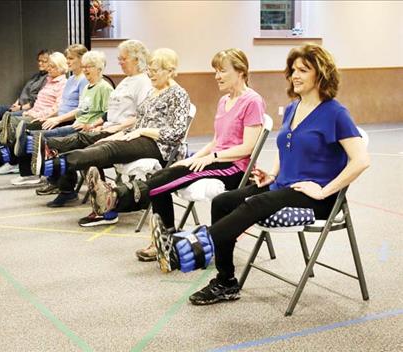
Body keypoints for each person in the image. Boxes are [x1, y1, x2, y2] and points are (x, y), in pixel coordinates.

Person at [150, 44, 370, 306]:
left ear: (321, 74)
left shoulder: (335, 113)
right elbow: (287, 145)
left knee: (256, 204)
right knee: (224, 201)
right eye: (292, 70)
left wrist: (324, 191)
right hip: (282, 186)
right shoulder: (292, 109)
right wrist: (273, 173)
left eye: (303, 70)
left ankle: (188, 247)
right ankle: (226, 281)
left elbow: (361, 160)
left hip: (316, 197)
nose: (295, 75)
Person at [82, 48, 265, 254]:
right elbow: (216, 141)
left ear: (240, 71)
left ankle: (118, 197)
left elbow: (247, 148)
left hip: (234, 167)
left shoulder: (253, 101)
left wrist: (210, 159)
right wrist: (191, 159)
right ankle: (165, 236)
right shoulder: (224, 101)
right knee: (163, 176)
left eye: (222, 71)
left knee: (166, 180)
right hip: (214, 159)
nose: (217, 76)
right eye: (215, 71)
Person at [34, 48, 191, 212]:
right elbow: (138, 122)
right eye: (149, 70)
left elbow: (176, 134)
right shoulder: (153, 91)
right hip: (138, 137)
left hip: (160, 146)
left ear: (170, 71)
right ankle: (104, 206)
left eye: (155, 71)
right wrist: (116, 134)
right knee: (97, 147)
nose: (150, 74)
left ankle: (54, 164)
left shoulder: (178, 94)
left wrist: (142, 131)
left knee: (110, 149)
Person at [29, 39, 152, 196]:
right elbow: (109, 111)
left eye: (123, 58)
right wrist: (99, 123)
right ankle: (54, 164)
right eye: (119, 58)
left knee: (81, 141)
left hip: (121, 132)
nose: (119, 62)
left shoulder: (142, 82)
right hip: (106, 127)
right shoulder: (126, 80)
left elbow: (140, 116)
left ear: (136, 59)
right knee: (81, 145)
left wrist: (116, 127)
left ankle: (49, 149)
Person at [12, 50, 113, 184]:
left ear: (99, 68)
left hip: (86, 129)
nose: (86, 70)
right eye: (84, 67)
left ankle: (27, 145)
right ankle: (28, 145)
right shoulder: (88, 87)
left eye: (89, 66)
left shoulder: (104, 88)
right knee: (46, 136)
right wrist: (57, 118)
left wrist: (92, 125)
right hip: (77, 123)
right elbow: (80, 110)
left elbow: (108, 114)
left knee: (50, 137)